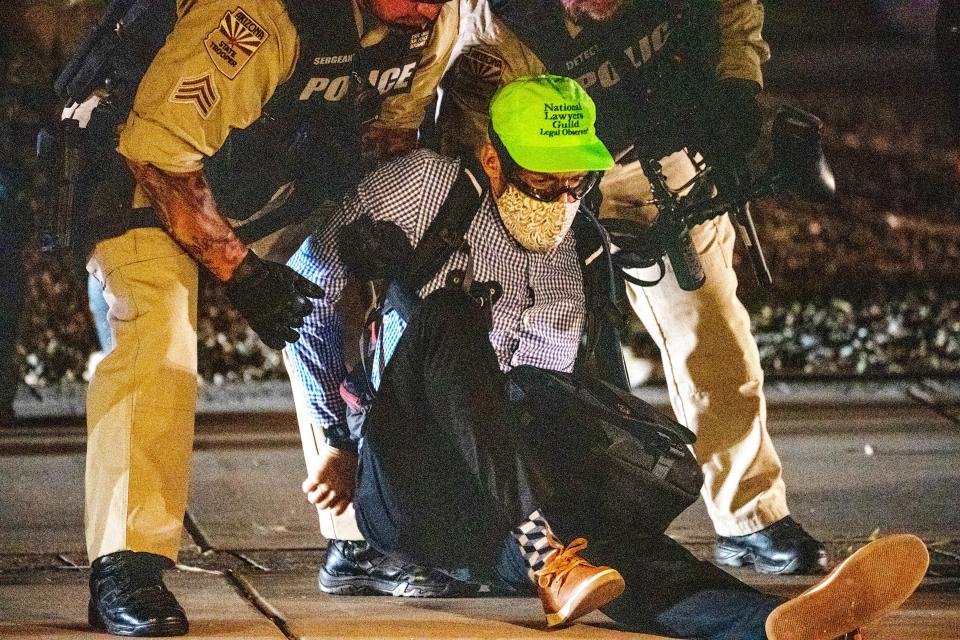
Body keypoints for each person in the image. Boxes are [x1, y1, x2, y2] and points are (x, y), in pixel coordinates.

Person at [286, 73, 929, 639]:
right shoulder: (429, 187)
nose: (561, 198)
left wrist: (612, 489)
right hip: (411, 478)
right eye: (542, 178)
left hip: (494, 518)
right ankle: (546, 553)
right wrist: (336, 436)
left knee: (625, 551)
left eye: (575, 179)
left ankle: (770, 626)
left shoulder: (583, 250)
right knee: (455, 315)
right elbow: (308, 275)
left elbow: (589, 391)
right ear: (492, 160)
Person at [76, 0, 460, 635]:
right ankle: (126, 564)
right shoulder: (257, 15)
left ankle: (360, 533)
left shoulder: (434, 18)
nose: (430, 5)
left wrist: (367, 259)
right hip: (146, 187)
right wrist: (242, 272)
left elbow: (390, 137)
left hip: (271, 195)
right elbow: (156, 147)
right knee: (160, 337)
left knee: (356, 309)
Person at [431, 0, 830, 576]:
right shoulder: (495, 27)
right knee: (526, 353)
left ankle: (752, 516)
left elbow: (734, 12)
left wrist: (736, 85)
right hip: (535, 177)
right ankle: (511, 532)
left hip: (653, 155)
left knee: (711, 324)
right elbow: (474, 141)